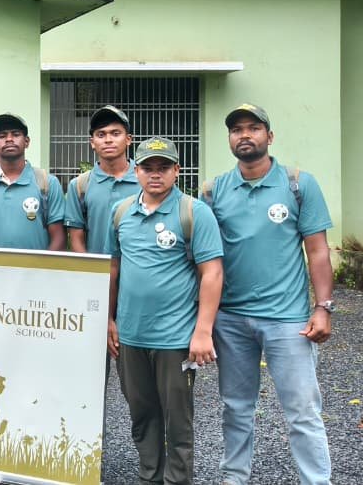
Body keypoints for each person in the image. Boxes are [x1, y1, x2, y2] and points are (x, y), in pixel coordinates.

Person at [202, 104, 335, 485]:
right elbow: (207, 259)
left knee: (302, 410)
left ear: (269, 137)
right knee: (236, 407)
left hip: (288, 320)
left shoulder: (298, 184)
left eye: (254, 128)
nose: (245, 135)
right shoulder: (213, 191)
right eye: (237, 130)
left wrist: (323, 307)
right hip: (231, 319)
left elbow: (318, 250)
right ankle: (234, 477)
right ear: (230, 139)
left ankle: (317, 480)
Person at [107, 137, 224, 485]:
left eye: (163, 167)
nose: (154, 174)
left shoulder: (193, 212)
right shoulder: (122, 212)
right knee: (142, 414)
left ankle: (177, 480)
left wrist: (203, 331)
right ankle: (149, 476)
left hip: (174, 338)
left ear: (177, 171)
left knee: (177, 420)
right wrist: (109, 319)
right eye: (147, 167)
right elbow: (113, 269)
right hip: (131, 336)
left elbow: (212, 273)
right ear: (136, 171)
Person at [0, 114, 64, 257]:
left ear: (27, 142)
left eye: (16, 134)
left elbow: (58, 237)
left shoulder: (47, 183)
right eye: (2, 136)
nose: (9, 139)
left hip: (37, 270)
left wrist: (42, 268)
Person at [66, 106, 139, 254]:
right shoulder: (79, 186)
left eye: (115, 133)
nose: (108, 140)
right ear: (92, 142)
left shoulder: (146, 180)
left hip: (137, 267)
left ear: (128, 139)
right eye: (101, 135)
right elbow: (76, 239)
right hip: (98, 267)